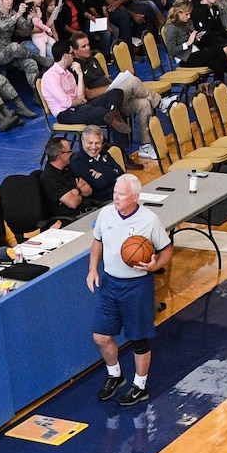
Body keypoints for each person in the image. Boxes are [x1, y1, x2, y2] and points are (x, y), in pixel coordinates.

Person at [85, 174, 171, 409]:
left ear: (135, 196)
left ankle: (140, 386)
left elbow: (166, 249)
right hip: (111, 283)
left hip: (137, 285)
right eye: (115, 192)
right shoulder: (105, 214)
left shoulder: (149, 220)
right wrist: (93, 270)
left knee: (138, 339)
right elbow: (97, 242)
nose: (116, 197)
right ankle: (116, 375)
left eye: (121, 194)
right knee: (100, 336)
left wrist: (155, 265)